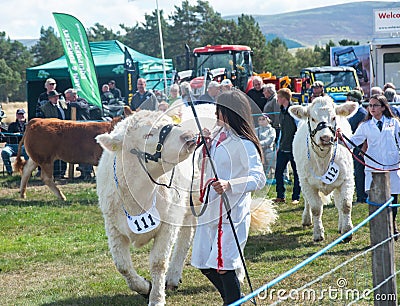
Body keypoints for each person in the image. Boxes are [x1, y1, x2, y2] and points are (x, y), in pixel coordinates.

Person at [191, 90, 266, 305]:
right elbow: (202, 167)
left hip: (232, 212)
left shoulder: (245, 143)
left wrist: (230, 184)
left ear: (230, 112)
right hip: (211, 210)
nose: (215, 113)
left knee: (224, 266)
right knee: (203, 262)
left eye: (219, 110)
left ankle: (233, 301)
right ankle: (234, 299)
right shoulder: (215, 138)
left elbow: (258, 178)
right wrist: (203, 148)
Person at [349, 94, 399, 240]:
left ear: (383, 107)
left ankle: (392, 224)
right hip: (373, 166)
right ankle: (381, 228)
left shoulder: (393, 123)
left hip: (392, 164)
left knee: (392, 197)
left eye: (375, 105)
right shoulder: (365, 126)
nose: (372, 108)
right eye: (370, 105)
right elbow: (354, 140)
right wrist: (339, 138)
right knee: (376, 198)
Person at [273, 88, 301, 204]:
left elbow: (299, 128)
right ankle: (280, 195)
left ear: (283, 98)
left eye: (278, 97)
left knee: (296, 173)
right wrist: (279, 144)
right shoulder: (281, 111)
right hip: (283, 147)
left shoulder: (294, 111)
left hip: (294, 148)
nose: (277, 100)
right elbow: (283, 130)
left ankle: (296, 197)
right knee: (278, 172)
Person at [64, 88, 93, 180]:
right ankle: (82, 173)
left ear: (74, 96)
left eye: (68, 98)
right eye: (66, 98)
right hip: (75, 132)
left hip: (85, 131)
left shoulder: (82, 101)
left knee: (86, 151)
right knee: (79, 152)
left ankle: (88, 173)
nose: (67, 100)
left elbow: (81, 105)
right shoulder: (69, 104)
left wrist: (70, 103)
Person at [40, 90, 68, 178]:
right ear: (49, 98)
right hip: (53, 134)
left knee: (65, 152)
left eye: (57, 96)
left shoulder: (63, 105)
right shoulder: (44, 108)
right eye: (54, 97)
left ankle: (62, 172)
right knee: (54, 154)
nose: (56, 98)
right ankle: (55, 173)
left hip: (65, 133)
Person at [346, 90, 368, 203]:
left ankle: (362, 196)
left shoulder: (362, 114)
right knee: (357, 172)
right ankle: (360, 194)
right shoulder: (354, 113)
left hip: (360, 148)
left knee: (360, 172)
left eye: (349, 99)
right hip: (354, 146)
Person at [1, 109, 29, 175]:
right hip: (12, 146)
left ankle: (27, 171)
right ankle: (9, 172)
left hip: (23, 146)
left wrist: (20, 134)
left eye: (22, 114)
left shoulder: (29, 125)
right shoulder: (12, 125)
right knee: (4, 152)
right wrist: (15, 134)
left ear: (25, 115)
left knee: (26, 150)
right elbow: (8, 136)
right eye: (19, 114)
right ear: (16, 115)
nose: (21, 116)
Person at [255, 115, 276, 181]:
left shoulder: (272, 130)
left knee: (269, 157)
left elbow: (270, 139)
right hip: (259, 150)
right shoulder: (256, 130)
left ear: (268, 120)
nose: (261, 121)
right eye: (260, 119)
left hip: (269, 150)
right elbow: (254, 139)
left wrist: (259, 144)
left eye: (263, 119)